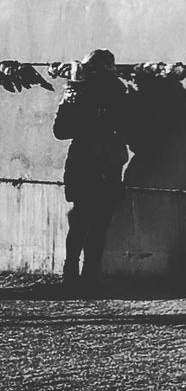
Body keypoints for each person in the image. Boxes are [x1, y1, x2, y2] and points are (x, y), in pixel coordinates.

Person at [52, 48, 134, 296]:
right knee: (96, 223)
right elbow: (127, 129)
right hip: (102, 161)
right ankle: (87, 276)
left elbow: (61, 130)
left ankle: (73, 276)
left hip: (85, 161)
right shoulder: (116, 92)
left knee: (81, 221)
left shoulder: (79, 91)